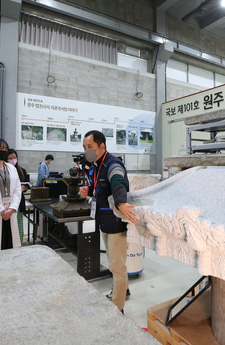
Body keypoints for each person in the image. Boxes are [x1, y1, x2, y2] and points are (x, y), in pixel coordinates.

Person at [79, 130, 137, 313]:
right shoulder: (97, 165)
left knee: (117, 267)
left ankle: (117, 307)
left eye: (90, 147)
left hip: (115, 223)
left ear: (102, 146)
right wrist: (88, 192)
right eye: (84, 147)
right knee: (115, 263)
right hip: (104, 220)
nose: (86, 151)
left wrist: (121, 201)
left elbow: (118, 182)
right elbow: (101, 190)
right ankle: (123, 291)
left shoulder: (113, 164)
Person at [7, 149, 30, 244]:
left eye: (15, 158)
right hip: (7, 202)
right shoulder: (4, 170)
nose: (13, 160)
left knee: (19, 223)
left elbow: (27, 183)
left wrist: (24, 188)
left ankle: (18, 243)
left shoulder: (21, 170)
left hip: (19, 201)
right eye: (10, 158)